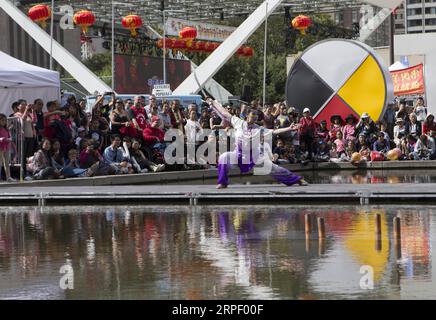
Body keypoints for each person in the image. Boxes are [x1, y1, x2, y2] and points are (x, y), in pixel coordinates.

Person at [208, 99, 307, 189]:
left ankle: (297, 179)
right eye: (252, 117)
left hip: (254, 157)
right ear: (247, 116)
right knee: (223, 157)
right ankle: (223, 182)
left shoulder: (259, 129)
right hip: (238, 155)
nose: (254, 119)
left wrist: (289, 128)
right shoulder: (238, 122)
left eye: (255, 118)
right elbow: (224, 112)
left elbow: (274, 131)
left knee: (274, 169)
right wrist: (213, 103)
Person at [0, 113, 15, 182]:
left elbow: (9, 136)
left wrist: (9, 140)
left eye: (5, 120)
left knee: (6, 163)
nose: (4, 122)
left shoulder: (6, 129)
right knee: (0, 163)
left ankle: (8, 177)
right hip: (1, 147)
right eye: (2, 120)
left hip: (6, 147)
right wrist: (4, 139)